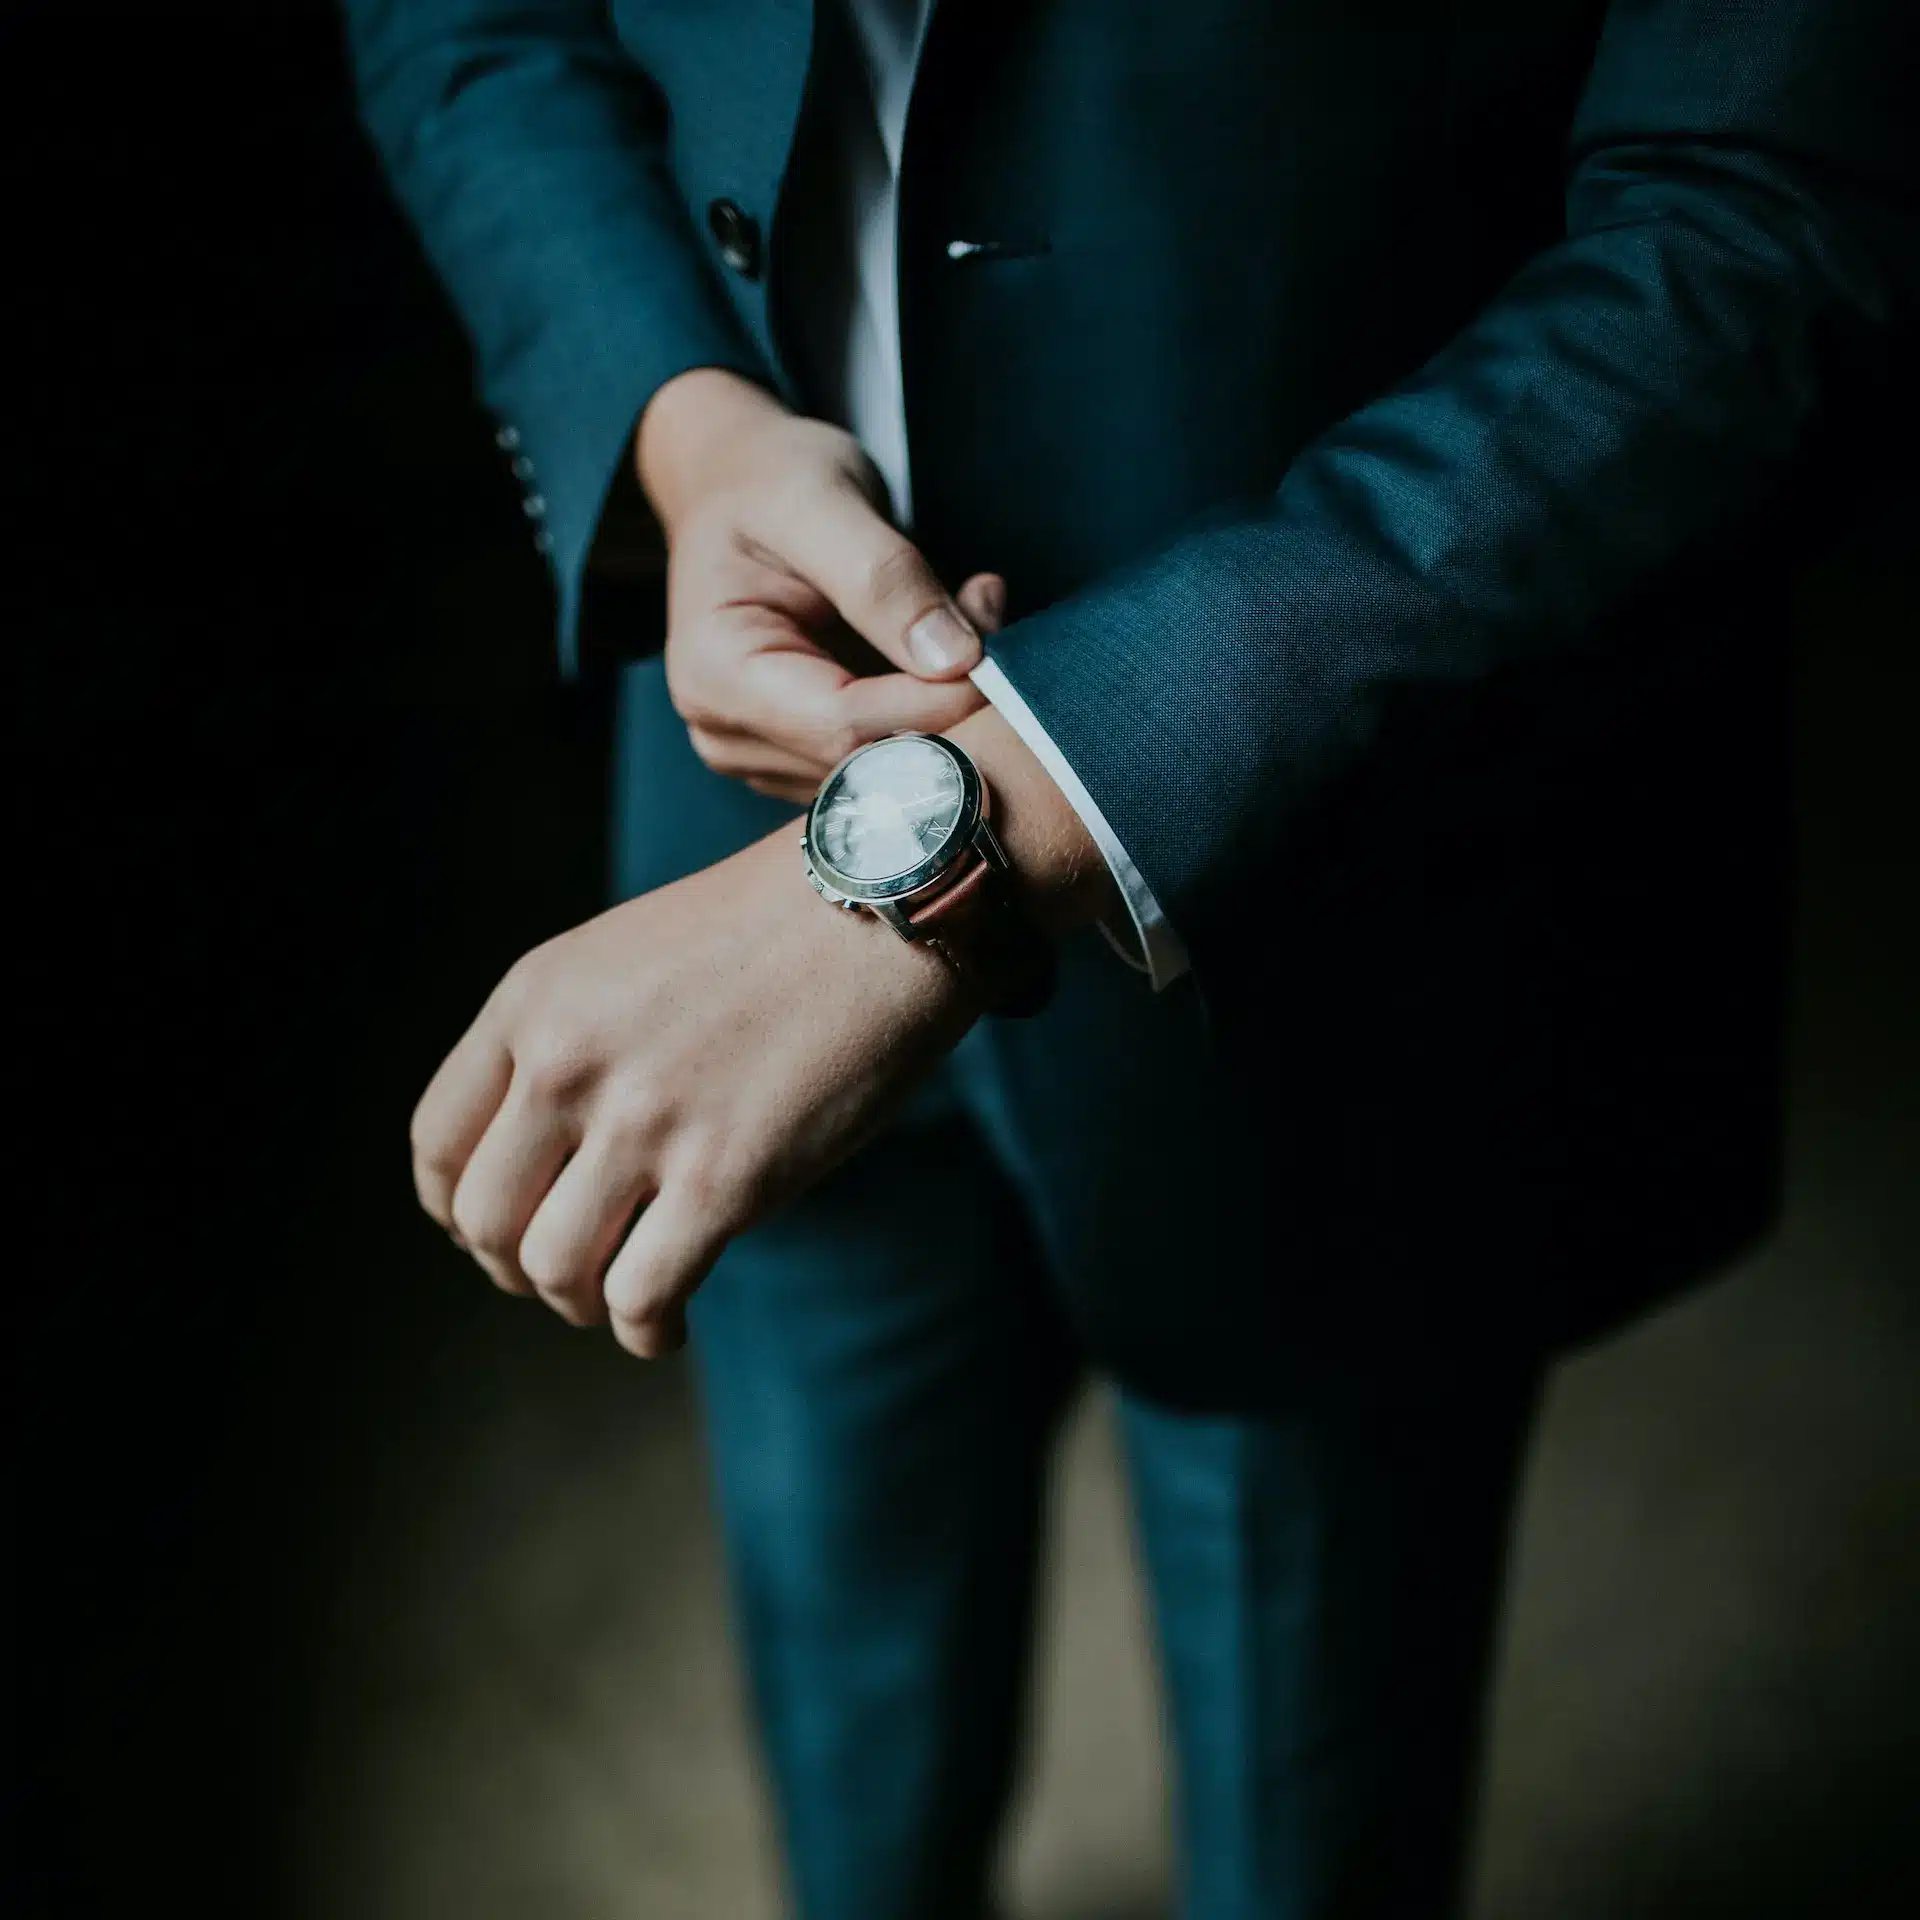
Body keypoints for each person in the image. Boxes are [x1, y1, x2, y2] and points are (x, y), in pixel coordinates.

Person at [344, 2, 1915, 1914]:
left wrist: (1000, 811)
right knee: (844, 1702)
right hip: (720, 817)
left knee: (1307, 1796)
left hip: (1346, 891)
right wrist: (678, 419)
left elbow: (1762, 218)